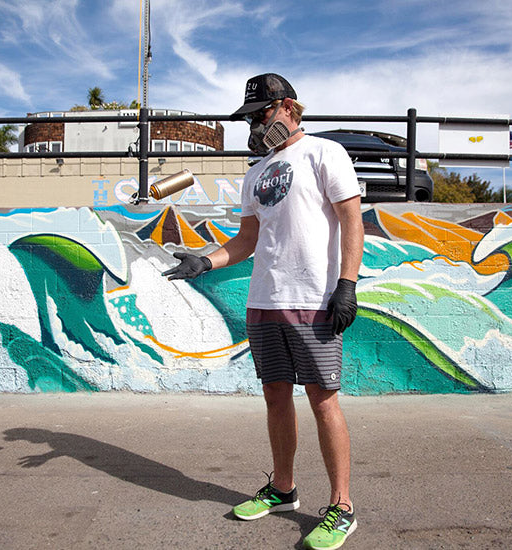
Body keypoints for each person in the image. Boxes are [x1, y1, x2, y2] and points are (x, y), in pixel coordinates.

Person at [163, 73, 364, 549]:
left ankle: (341, 506)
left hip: (313, 300)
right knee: (275, 395)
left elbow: (351, 219)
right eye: (249, 119)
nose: (254, 126)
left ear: (288, 107)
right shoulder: (255, 174)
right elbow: (247, 240)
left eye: (261, 114)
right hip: (264, 301)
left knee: (323, 399)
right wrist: (205, 261)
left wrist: (347, 284)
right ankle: (283, 489)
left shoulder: (324, 153)